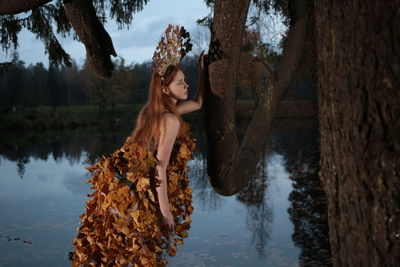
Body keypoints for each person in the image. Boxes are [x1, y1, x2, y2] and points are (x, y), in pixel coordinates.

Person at [69, 25, 206, 266]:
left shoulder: (153, 113)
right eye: (180, 83)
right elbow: (159, 169)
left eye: (186, 81)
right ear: (165, 89)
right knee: (134, 253)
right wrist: (165, 213)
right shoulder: (170, 120)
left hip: (116, 185)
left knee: (112, 250)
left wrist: (202, 71)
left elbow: (197, 103)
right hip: (132, 193)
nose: (186, 86)